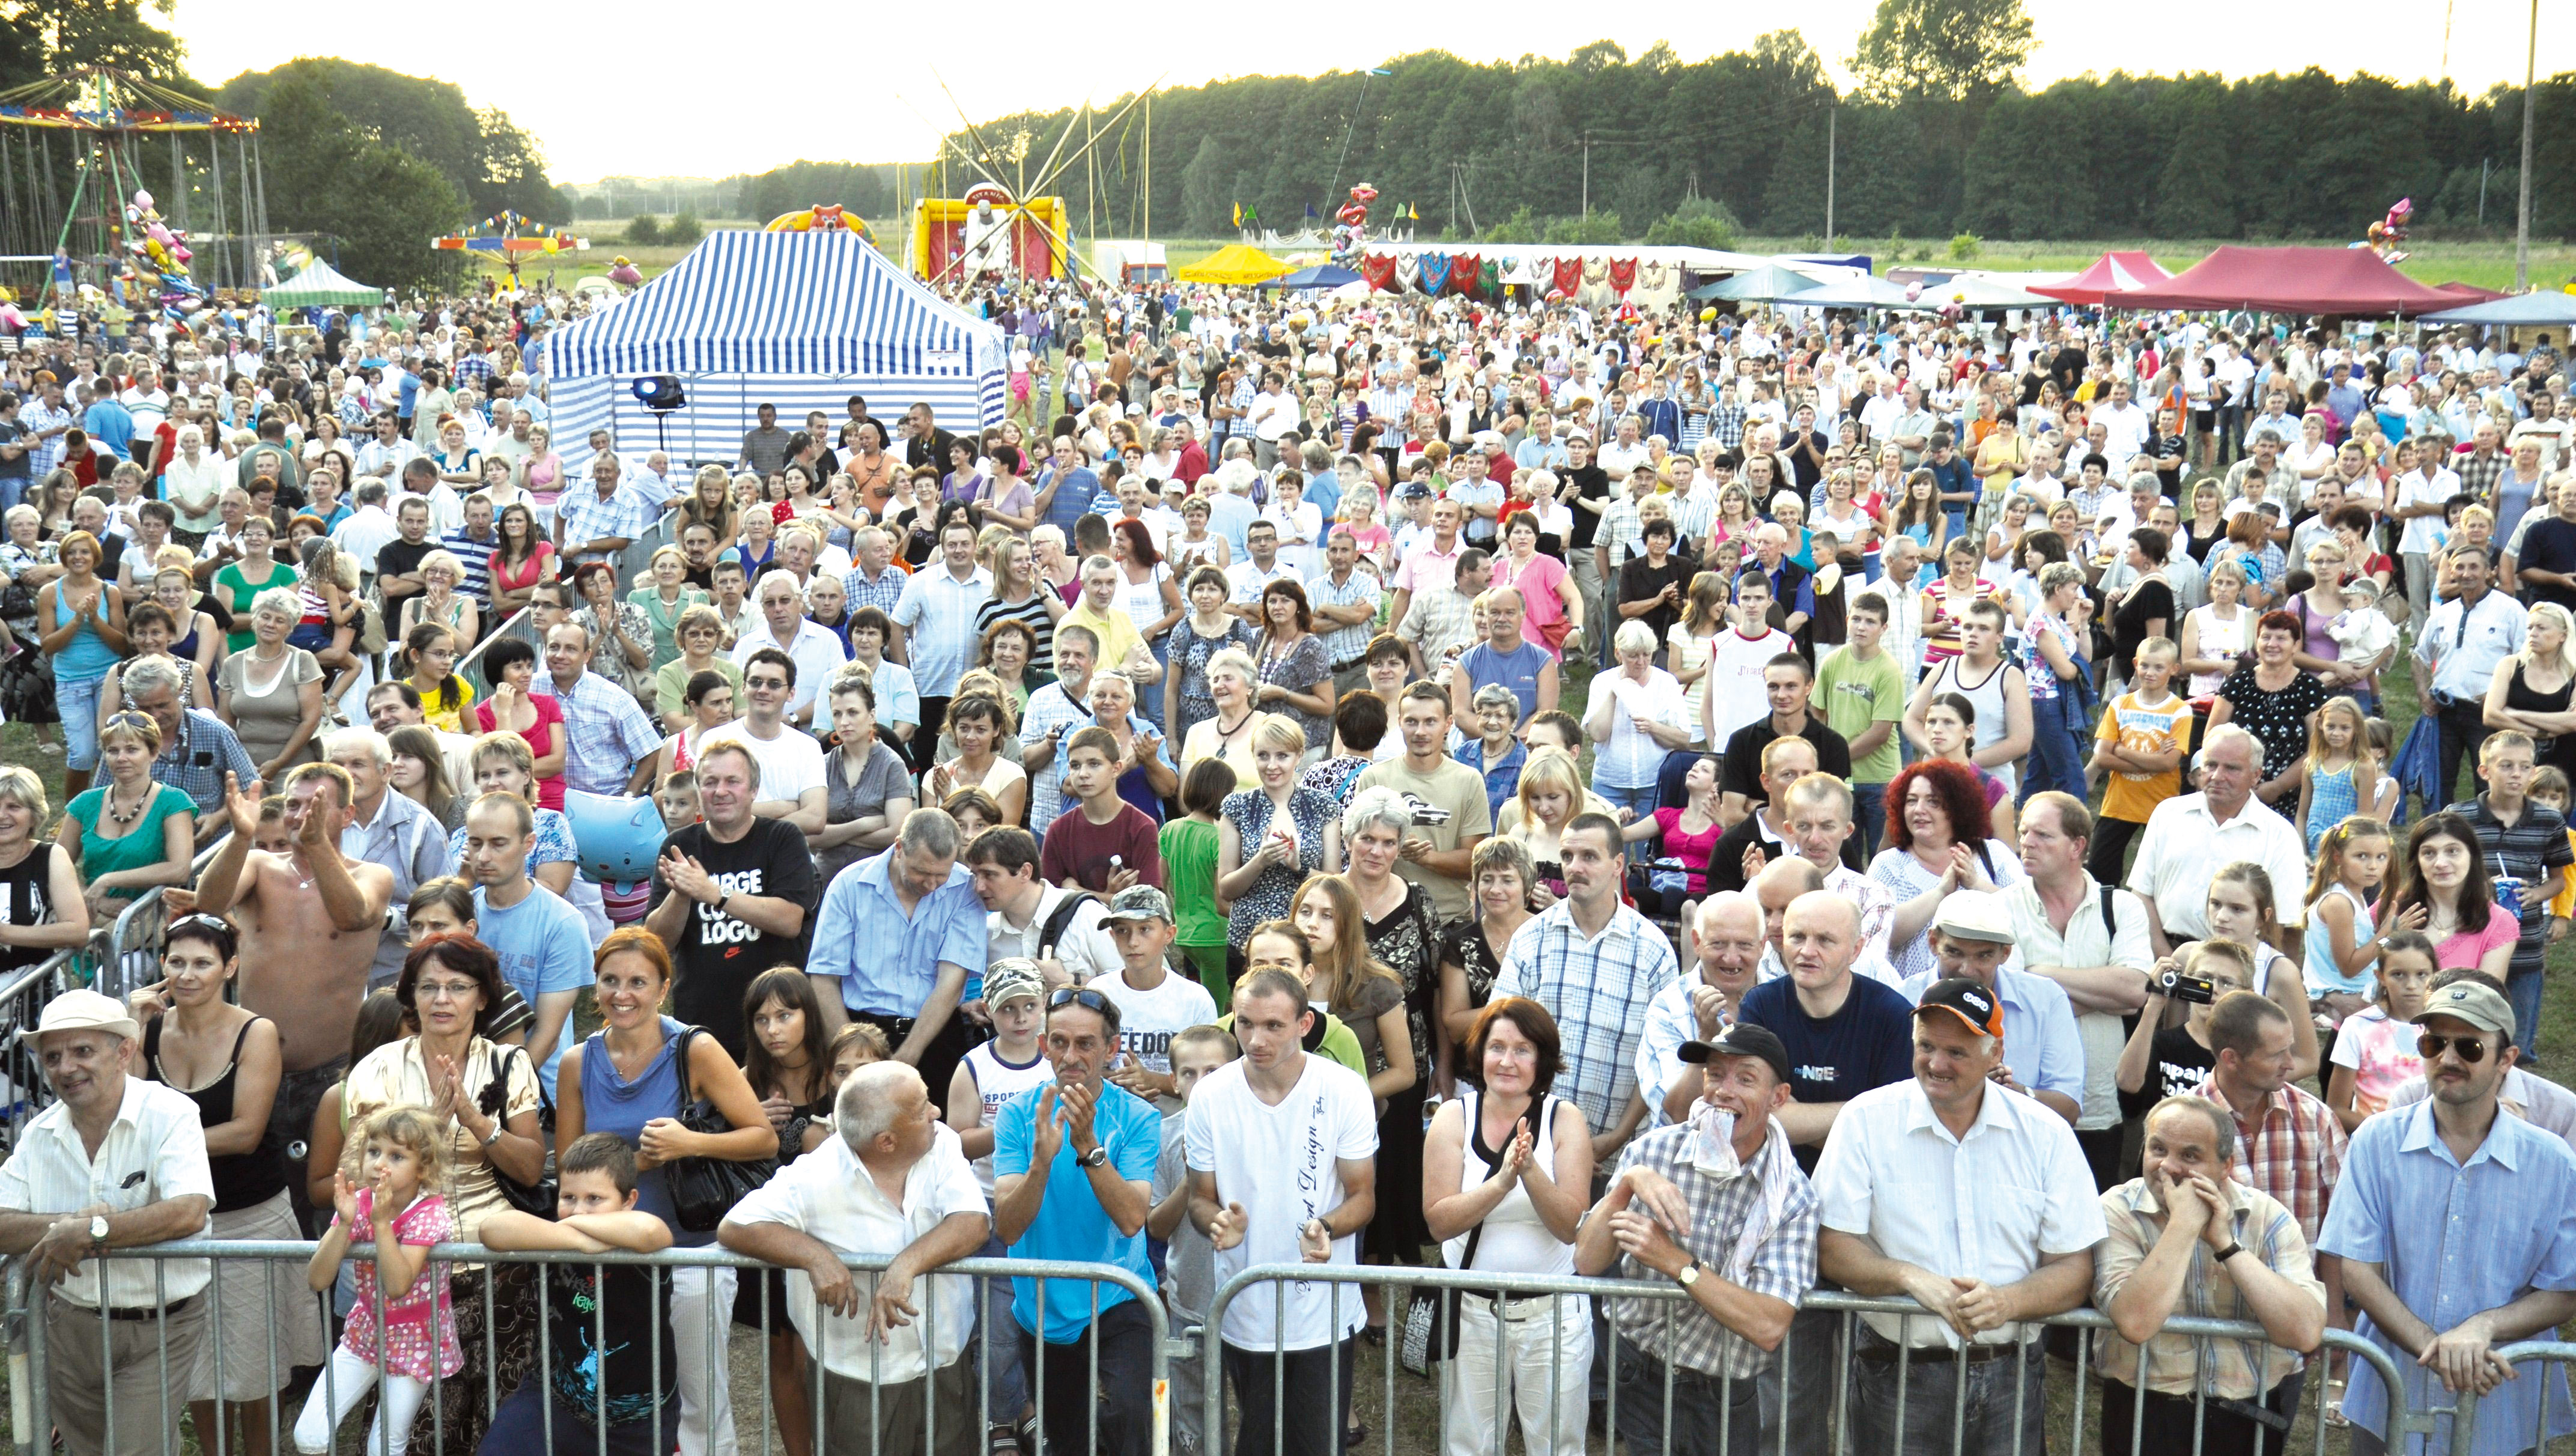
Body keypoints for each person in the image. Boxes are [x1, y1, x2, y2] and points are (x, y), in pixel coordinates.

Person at [1814, 975, 2107, 1456]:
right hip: (1895, 1367)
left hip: (2010, 1371)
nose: (1936, 1063)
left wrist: (2008, 1302)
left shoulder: (2047, 1133)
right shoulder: (1865, 1119)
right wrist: (1907, 1277)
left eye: (1956, 1052)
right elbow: (1832, 1245)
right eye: (1926, 1045)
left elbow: (2075, 1267)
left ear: (1996, 1056)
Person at [2319, 978, 2576, 1456]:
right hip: (2391, 1392)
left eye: (2470, 1046)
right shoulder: (2376, 1141)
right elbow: (2357, 1266)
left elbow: (2564, 1289)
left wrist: (2483, 1327)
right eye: (2434, 1042)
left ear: (2507, 1058)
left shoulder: (2554, 1161)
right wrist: (2435, 1348)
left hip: (2503, 1401)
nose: (2448, 1058)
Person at [556, 927, 777, 1456]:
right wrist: (636, 1163)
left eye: (638, 981)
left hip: (690, 1253)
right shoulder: (575, 1063)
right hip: (608, 1261)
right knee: (620, 1395)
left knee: (700, 1399)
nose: (622, 993)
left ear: (663, 988)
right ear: (597, 987)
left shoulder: (695, 1048)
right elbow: (569, 1170)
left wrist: (689, 1141)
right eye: (611, 981)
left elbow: (762, 1137)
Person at [123, 913, 326, 1455]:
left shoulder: (254, 1031)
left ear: (229, 966)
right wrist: (127, 1029)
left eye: (203, 962)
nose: (188, 974)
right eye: (177, 961)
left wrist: (163, 1147)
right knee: (199, 1364)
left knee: (255, 1367)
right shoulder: (147, 1030)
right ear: (162, 965)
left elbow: (246, 1131)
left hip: (250, 1218)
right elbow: (127, 1112)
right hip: (180, 1220)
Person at [718, 1061, 990, 1456]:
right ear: (886, 1141)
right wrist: (814, 1256)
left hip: (948, 1366)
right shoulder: (817, 1173)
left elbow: (974, 1223)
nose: (936, 1112)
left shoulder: (942, 1141)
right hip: (857, 1379)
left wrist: (905, 1266)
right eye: (922, 1108)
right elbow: (735, 1225)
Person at [1574, 1020, 1817, 1456]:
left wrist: (1674, 1260)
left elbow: (1768, 1325)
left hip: (1724, 1391)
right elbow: (1588, 1261)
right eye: (1715, 1073)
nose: (1724, 1089)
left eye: (1745, 1078)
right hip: (1637, 1373)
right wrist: (1627, 1183)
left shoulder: (1792, 1195)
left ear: (1778, 1097)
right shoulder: (1653, 1152)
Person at [0, 988, 213, 1456]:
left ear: (123, 1053)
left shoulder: (171, 1113)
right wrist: (70, 1223)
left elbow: (190, 1209)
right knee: (91, 1450)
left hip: (159, 1325)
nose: (65, 1067)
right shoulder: (39, 1134)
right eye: (53, 1056)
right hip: (68, 1327)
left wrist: (96, 1231)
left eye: (82, 1051)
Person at [182, 765, 395, 1225]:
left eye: (317, 804)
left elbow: (353, 914)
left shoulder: (374, 875)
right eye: (295, 804)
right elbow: (210, 906)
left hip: (328, 1076)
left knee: (320, 1205)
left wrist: (318, 846)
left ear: (347, 814)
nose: (301, 814)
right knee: (246, 1196)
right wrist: (241, 836)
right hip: (253, 1070)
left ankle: (322, 1295)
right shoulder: (260, 866)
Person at [1186, 969, 1379, 1456]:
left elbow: (1363, 1194)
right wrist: (1217, 1222)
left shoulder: (1344, 1088)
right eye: (1245, 1023)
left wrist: (1328, 1225)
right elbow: (1198, 1197)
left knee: (1316, 1442)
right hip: (1244, 1304)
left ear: (1304, 1023)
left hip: (1323, 1309)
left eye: (1273, 1025)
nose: (1255, 1039)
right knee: (1258, 1439)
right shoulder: (1210, 1095)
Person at [2093, 1097, 2329, 1456]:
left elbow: (2305, 1332)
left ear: (2225, 1166)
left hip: (2248, 1411)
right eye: (2158, 1149)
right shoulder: (2116, 1209)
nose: (2168, 1167)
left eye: (2190, 1156)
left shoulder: (2266, 1216)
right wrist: (2184, 1225)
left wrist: (2224, 1243)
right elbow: (2136, 1322)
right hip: (2147, 1411)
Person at [990, 979, 1164, 1456]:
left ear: (1111, 1049)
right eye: (1060, 1042)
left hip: (1119, 1298)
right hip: (1041, 1308)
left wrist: (1088, 1147)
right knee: (1067, 1440)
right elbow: (1007, 1226)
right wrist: (1041, 1162)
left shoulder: (1139, 1116)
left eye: (1086, 1043)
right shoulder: (1017, 1116)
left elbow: (1132, 1219)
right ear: (1044, 1045)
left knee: (1124, 1419)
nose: (1071, 1055)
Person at [1426, 997, 1596, 1456]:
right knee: (1468, 1445)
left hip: (1554, 1317)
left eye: (1522, 1049)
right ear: (1479, 1053)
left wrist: (1530, 1172)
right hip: (1472, 1313)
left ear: (1541, 1059)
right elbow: (1439, 1221)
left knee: (1557, 1445)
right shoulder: (1452, 1116)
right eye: (1496, 1046)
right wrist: (1501, 1182)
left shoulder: (1566, 1119)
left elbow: (1570, 1226)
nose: (1507, 1060)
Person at [474, 1135, 682, 1456]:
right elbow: (492, 1229)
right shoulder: (561, 1240)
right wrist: (578, 1241)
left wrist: (567, 1234)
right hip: (554, 1400)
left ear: (629, 1200)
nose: (579, 1211)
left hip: (638, 1417)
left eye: (595, 1199)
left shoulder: (638, 1246)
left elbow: (652, 1231)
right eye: (568, 1197)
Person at [1496, 812, 1677, 1169]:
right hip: (1534, 1145)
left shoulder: (1653, 950)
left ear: (1618, 864)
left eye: (1589, 857)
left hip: (1620, 1153)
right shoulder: (1532, 938)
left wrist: (1618, 1137)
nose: (1575, 867)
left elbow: (1660, 1060)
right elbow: (1501, 1040)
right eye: (1567, 857)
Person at [2001, 793, 2157, 1185]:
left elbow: (2136, 988)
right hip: (2027, 1101)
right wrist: (2106, 997)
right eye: (2023, 832)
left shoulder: (2121, 907)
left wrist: (2041, 974)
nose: (2027, 842)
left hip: (2100, 1105)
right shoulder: (2002, 908)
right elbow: (2014, 1002)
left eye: (2042, 834)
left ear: (2078, 845)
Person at [291, 1103, 460, 1456]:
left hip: (417, 1340)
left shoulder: (429, 1213)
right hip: (365, 1334)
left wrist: (381, 1225)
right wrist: (346, 1223)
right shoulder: (360, 1202)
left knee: (385, 1446)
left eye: (397, 1156)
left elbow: (398, 1286)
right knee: (309, 1436)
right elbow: (318, 1278)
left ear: (422, 1169)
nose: (380, 1163)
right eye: (373, 1151)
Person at [645, 739, 821, 1063]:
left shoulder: (782, 839)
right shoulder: (679, 845)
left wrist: (714, 893)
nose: (720, 791)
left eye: (732, 781)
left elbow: (789, 920)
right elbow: (657, 942)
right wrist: (681, 894)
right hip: (704, 1022)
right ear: (698, 791)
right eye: (710, 782)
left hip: (778, 1021)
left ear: (754, 789)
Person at [807, 808, 990, 1103]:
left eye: (941, 875)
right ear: (899, 848)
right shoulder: (849, 885)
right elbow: (824, 979)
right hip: (859, 1025)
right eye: (921, 872)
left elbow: (951, 983)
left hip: (935, 1032)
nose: (931, 884)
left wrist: (908, 1055)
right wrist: (854, 1052)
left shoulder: (964, 888)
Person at [1901, 891, 2086, 1124]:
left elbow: (2068, 1109)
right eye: (1954, 953)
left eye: (1983, 956)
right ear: (1933, 943)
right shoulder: (1900, 1000)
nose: (1967, 969)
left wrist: (2009, 1093)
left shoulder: (2046, 1000)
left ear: (2005, 953)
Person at [2127, 725, 2310, 958]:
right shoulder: (2168, 814)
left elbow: (2283, 924)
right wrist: (2169, 960)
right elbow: (2141, 893)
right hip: (2160, 954)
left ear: (2256, 776)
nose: (2217, 776)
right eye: (2211, 765)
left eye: (2232, 768)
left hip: (2236, 965)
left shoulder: (2280, 835)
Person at [2445, 730, 2574, 1057]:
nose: (2516, 774)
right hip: (2471, 937)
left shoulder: (2549, 821)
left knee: (2519, 1042)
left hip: (2526, 940)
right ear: (2484, 771)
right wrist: (2473, 888)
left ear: (2533, 771)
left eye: (2524, 767)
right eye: (2506, 766)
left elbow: (2559, 879)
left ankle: (2515, 1097)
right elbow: (2439, 873)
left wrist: (2536, 895)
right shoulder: (2459, 817)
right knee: (2467, 1026)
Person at [1352, 681, 1493, 924]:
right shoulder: (1373, 778)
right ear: (1399, 723)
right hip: (1383, 916)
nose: (1420, 732)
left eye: (1430, 722)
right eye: (1412, 722)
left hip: (1449, 918)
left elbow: (1474, 863)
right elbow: (1356, 851)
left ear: (1448, 724)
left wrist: (1425, 858)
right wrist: (1392, 849)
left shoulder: (1469, 780)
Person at [326, 726, 455, 990]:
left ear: (385, 772)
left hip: (395, 977)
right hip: (327, 970)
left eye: (358, 764)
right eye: (337, 764)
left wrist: (386, 918)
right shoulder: (314, 822)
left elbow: (445, 908)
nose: (346, 773)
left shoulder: (421, 828)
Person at [56, 710, 195, 936]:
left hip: (149, 928)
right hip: (94, 925)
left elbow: (179, 868)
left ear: (153, 753)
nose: (121, 758)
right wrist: (94, 899)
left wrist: (108, 880)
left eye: (132, 750)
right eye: (113, 751)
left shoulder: (173, 801)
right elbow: (55, 867)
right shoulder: (84, 803)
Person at [2416, 541, 2526, 803]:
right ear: (2451, 573)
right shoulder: (2443, 614)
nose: (2467, 573)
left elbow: (2525, 662)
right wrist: (2422, 693)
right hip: (2445, 711)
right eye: (2460, 568)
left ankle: (2489, 835)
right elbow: (2420, 656)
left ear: (2489, 571)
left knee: (2490, 781)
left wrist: (2499, 695)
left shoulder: (2511, 610)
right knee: (2439, 781)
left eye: (2474, 567)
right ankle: (2439, 834)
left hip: (2487, 714)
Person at [697, 648, 829, 834]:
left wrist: (751, 826)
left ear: (791, 693)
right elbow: (709, 810)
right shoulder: (714, 740)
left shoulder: (808, 747)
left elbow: (815, 819)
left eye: (774, 684)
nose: (763, 690)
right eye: (756, 682)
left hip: (787, 856)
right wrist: (782, 807)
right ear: (743, 688)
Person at [811, 671, 917, 882]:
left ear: (872, 716)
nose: (844, 722)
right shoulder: (822, 765)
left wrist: (833, 836)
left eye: (853, 712)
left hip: (876, 878)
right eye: (837, 714)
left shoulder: (892, 765)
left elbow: (897, 834)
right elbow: (810, 836)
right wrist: (863, 825)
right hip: (827, 878)